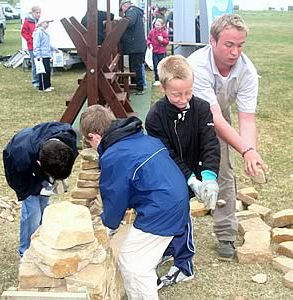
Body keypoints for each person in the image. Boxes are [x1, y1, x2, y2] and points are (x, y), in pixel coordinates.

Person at [80, 104, 190, 299]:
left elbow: (115, 196)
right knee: (137, 260)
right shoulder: (141, 138)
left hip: (162, 208)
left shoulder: (114, 155)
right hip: (176, 198)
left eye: (90, 143)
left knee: (134, 263)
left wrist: (107, 226)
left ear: (94, 136)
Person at [187, 14, 268, 260]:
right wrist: (245, 149)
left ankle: (225, 235)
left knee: (223, 169)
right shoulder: (196, 65)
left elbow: (246, 119)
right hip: (186, 111)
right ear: (212, 41)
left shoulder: (247, 71)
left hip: (219, 112)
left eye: (240, 45)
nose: (235, 52)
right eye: (229, 45)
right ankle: (172, 233)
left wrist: (250, 152)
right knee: (180, 168)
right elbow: (213, 119)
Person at [145, 55, 220, 286]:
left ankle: (184, 265)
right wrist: (189, 180)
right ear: (162, 88)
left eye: (188, 92)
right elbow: (167, 154)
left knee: (181, 215)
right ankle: (170, 248)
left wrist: (208, 177)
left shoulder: (202, 108)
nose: (183, 99)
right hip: (170, 171)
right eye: (176, 94)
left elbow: (210, 143)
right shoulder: (155, 117)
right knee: (174, 209)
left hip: (196, 166)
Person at [3, 122, 78, 257]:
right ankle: (27, 252)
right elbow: (16, 181)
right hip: (24, 174)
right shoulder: (18, 156)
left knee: (44, 206)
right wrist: (29, 190)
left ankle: (43, 241)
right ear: (39, 164)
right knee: (33, 212)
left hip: (43, 162)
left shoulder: (68, 138)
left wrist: (52, 182)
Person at [120, 0, 147, 95]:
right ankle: (137, 86)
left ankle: (139, 87)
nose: (122, 10)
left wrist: (120, 22)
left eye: (122, 8)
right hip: (136, 46)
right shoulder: (134, 11)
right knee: (135, 67)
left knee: (136, 67)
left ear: (125, 5)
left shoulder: (131, 11)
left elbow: (129, 22)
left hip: (136, 46)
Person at [33, 16, 58, 92]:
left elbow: (47, 44)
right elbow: (36, 44)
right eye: (47, 22)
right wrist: (37, 55)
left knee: (48, 70)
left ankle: (48, 85)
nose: (48, 24)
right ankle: (42, 87)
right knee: (43, 71)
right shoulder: (38, 32)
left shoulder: (44, 32)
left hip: (46, 54)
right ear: (42, 23)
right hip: (41, 55)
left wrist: (54, 48)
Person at [21, 5, 41, 88]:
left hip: (39, 46)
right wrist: (30, 40)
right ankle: (35, 81)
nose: (39, 14)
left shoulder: (39, 21)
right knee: (35, 64)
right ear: (32, 13)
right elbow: (23, 32)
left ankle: (41, 79)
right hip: (32, 46)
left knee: (40, 63)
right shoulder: (28, 21)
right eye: (37, 13)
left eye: (40, 12)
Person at [147, 18, 169, 86]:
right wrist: (149, 43)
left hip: (161, 52)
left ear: (162, 25)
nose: (156, 26)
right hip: (154, 51)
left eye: (158, 25)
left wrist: (162, 40)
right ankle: (157, 79)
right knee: (155, 65)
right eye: (156, 24)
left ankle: (162, 79)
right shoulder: (152, 32)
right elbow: (148, 39)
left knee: (161, 66)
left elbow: (167, 42)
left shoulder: (164, 33)